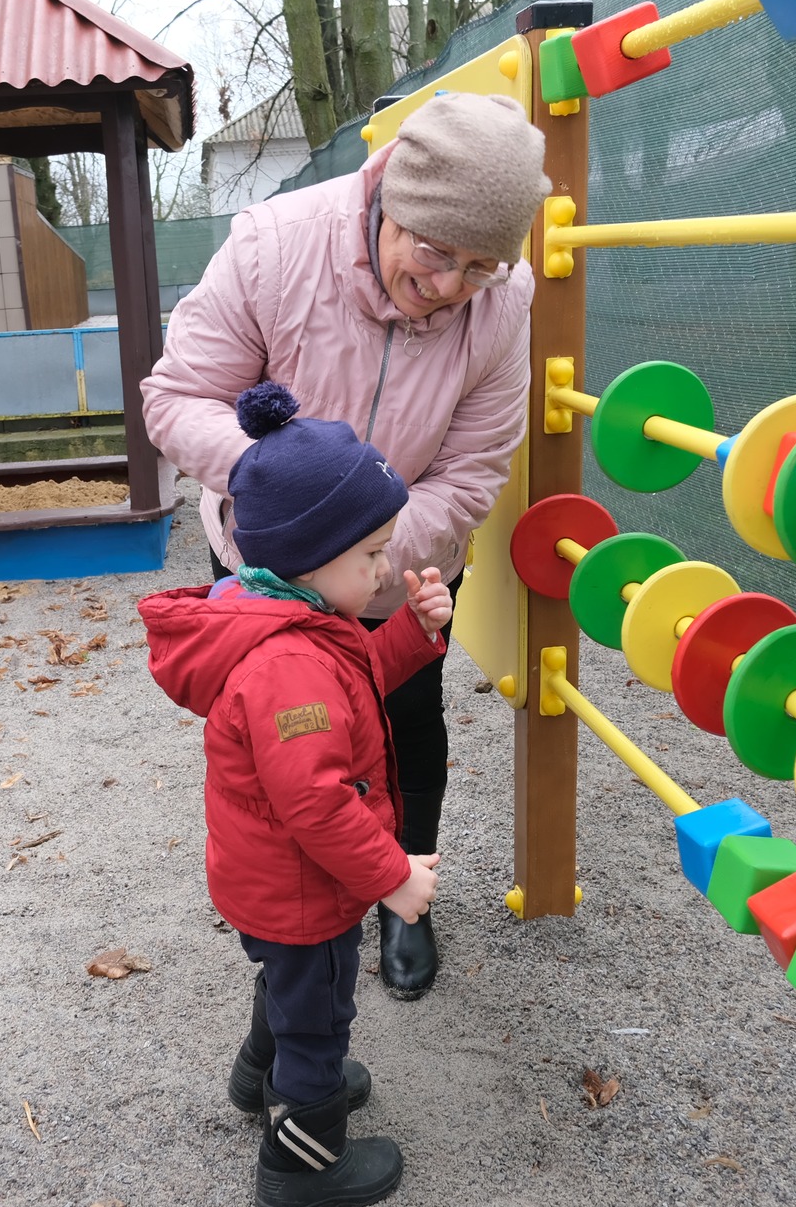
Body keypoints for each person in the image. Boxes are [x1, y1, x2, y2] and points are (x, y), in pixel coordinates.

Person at [141, 91, 548, 999]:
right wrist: (292, 498)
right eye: (436, 252)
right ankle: (293, 911)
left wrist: (372, 547)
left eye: (480, 267)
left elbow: (477, 462)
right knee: (286, 740)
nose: (449, 286)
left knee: (406, 725)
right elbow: (177, 398)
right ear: (389, 196)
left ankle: (405, 896)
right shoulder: (275, 248)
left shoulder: (501, 302)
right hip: (265, 553)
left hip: (404, 557)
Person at [140, 383, 453, 1207]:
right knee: (321, 1010)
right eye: (373, 555)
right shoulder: (289, 665)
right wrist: (393, 876)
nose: (386, 568)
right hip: (302, 885)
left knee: (294, 979)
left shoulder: (295, 620)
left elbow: (357, 687)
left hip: (275, 883)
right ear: (314, 555)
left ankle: (256, 1076)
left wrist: (416, 634)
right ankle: (301, 1165)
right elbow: (317, 803)